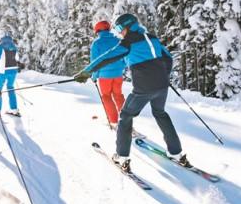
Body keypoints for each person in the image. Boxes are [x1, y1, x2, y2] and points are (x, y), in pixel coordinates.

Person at [75, 13, 190, 173]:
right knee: (160, 113)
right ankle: (176, 153)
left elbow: (107, 57)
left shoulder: (128, 43)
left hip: (143, 88)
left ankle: (122, 157)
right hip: (162, 86)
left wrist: (86, 72)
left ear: (127, 27)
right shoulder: (152, 37)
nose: (119, 32)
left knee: (125, 116)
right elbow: (168, 58)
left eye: (120, 28)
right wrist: (163, 74)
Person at [90, 20, 126, 128]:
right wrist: (121, 68)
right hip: (118, 75)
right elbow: (124, 56)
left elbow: (95, 62)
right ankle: (126, 119)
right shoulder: (118, 40)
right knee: (118, 95)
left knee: (106, 96)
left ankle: (113, 121)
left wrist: (94, 76)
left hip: (105, 76)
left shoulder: (97, 43)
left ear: (97, 31)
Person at [0, 31, 21, 116]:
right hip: (13, 71)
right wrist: (18, 66)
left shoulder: (1, 46)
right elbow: (17, 59)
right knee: (10, 88)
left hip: (3, 71)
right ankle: (14, 109)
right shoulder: (13, 46)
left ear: (0, 38)